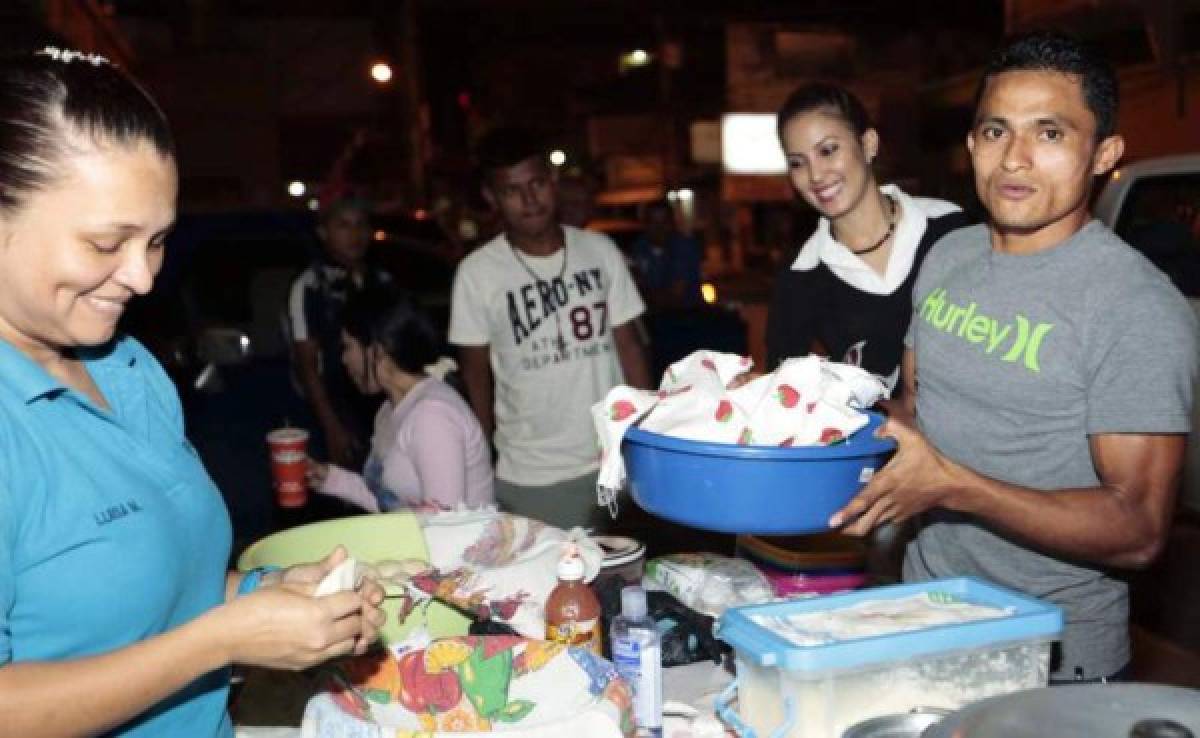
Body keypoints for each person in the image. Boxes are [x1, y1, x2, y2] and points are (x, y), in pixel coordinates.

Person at [0, 48, 384, 737]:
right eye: (106, 242)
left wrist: (270, 599)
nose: (143, 279)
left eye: (157, 241)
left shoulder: (128, 367)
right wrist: (222, 640)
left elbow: (154, 596)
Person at [831, 31, 1199, 683]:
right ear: (972, 145)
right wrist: (808, 410)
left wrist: (954, 486)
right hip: (923, 617)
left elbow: (1139, 526)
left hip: (1048, 657)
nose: (1016, 160)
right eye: (996, 132)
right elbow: (917, 411)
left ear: (1104, 154)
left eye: (1050, 134)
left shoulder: (1135, 306)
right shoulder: (951, 255)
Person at [449, 126, 651, 531]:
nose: (529, 200)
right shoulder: (477, 273)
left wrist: (647, 435)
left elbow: (630, 347)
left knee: (622, 584)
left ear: (552, 182)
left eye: (537, 183)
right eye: (512, 191)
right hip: (531, 475)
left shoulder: (600, 251)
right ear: (493, 198)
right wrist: (479, 465)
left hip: (611, 461)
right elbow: (476, 375)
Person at [766, 83, 969, 390]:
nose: (816, 175)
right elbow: (789, 401)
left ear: (869, 144)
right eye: (798, 162)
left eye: (828, 150)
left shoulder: (950, 230)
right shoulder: (799, 279)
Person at [308, 288, 494, 511]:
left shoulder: (432, 417)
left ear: (377, 349)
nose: (344, 359)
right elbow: (389, 501)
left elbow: (445, 523)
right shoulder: (388, 411)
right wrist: (328, 479)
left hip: (455, 544)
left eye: (348, 347)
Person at [286, 196, 394, 468]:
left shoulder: (382, 282)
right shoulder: (309, 287)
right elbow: (307, 366)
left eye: (360, 225)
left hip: (383, 408)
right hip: (336, 411)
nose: (355, 234)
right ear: (323, 233)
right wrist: (333, 428)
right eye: (343, 225)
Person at [630, 200, 704, 309]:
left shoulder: (684, 247)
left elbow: (676, 294)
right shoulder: (639, 248)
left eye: (664, 222)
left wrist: (644, 295)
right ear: (645, 224)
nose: (659, 228)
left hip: (686, 316)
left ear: (672, 223)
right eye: (653, 222)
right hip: (651, 317)